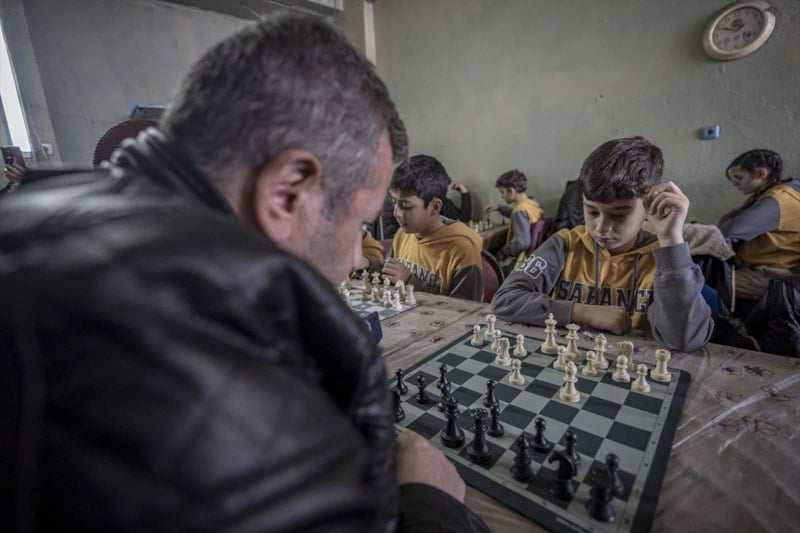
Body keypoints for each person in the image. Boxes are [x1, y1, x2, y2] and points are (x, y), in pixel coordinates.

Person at [0, 14, 488, 532]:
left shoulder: (37, 214)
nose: (357, 258)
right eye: (359, 224)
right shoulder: (206, 373)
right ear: (286, 193)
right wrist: (432, 507)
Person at [491, 136, 713, 353]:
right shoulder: (566, 243)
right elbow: (504, 301)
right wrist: (580, 311)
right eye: (592, 211)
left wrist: (671, 239)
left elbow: (684, 340)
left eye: (618, 215)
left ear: (649, 205)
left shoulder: (663, 259)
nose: (601, 228)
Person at [379, 154, 484, 301]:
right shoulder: (402, 235)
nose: (397, 213)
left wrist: (410, 281)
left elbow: (463, 310)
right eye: (394, 202)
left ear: (434, 207)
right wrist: (370, 265)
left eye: (406, 206)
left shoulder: (463, 252)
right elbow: (388, 279)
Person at [717, 149, 800, 315]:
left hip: (776, 274)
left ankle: (727, 326)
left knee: (701, 280)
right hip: (760, 266)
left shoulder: (779, 199)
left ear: (761, 173)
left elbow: (730, 230)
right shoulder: (768, 195)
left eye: (739, 177)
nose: (735, 183)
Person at [484, 169, 544, 272]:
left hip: (518, 261)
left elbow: (523, 243)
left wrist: (503, 251)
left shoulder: (519, 210)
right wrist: (499, 208)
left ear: (511, 191)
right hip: (532, 258)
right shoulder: (533, 203)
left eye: (502, 192)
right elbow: (520, 216)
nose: (502, 196)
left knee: (487, 263)